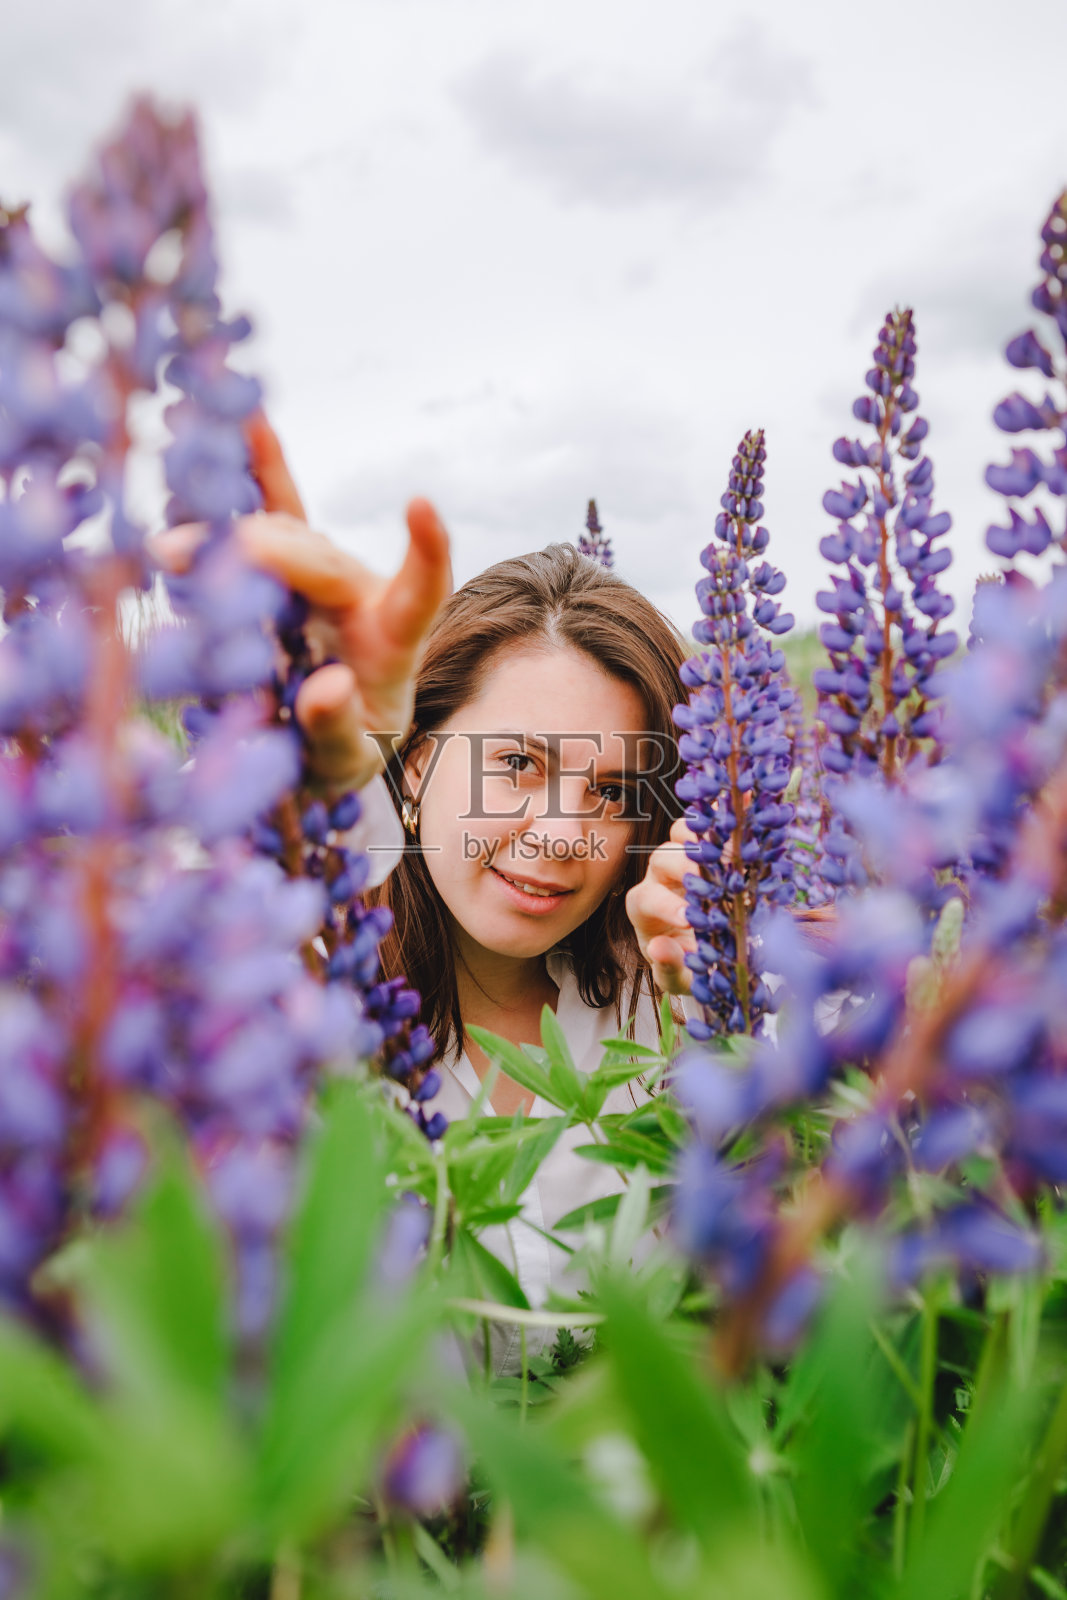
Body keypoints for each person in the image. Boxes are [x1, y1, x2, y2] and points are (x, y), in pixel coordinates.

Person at [155, 416, 704, 1373]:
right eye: (516, 768)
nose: (558, 833)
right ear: (412, 765)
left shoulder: (673, 1001)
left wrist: (729, 1010)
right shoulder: (293, 980)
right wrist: (296, 796)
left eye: (612, 791)